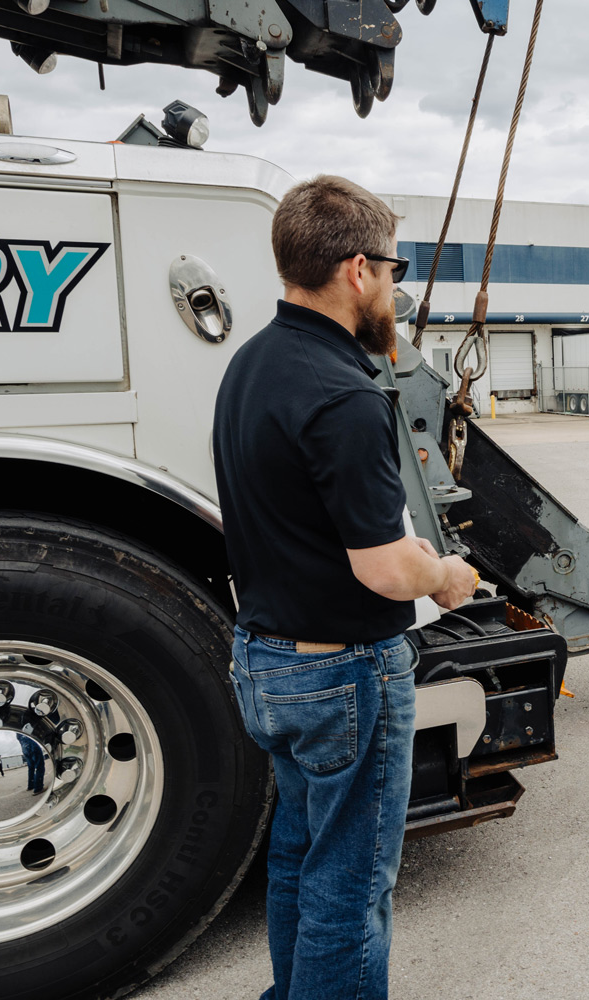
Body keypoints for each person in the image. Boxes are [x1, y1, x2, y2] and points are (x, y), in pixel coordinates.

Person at [213, 174, 477, 1000]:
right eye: (394, 272)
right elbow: (386, 567)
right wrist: (446, 575)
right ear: (358, 270)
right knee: (352, 888)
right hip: (342, 676)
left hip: (266, 660)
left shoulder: (252, 364)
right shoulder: (345, 394)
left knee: (300, 856)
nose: (395, 290)